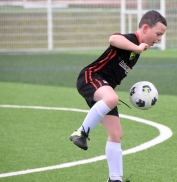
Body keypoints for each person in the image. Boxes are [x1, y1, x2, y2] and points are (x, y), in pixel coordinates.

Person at [70, 10, 167, 182]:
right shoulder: (132, 40)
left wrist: (137, 50)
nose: (159, 39)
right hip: (91, 77)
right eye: (158, 34)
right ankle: (81, 133)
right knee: (112, 98)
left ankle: (115, 179)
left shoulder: (135, 53)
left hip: (103, 87)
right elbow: (113, 38)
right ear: (145, 28)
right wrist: (137, 47)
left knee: (116, 134)